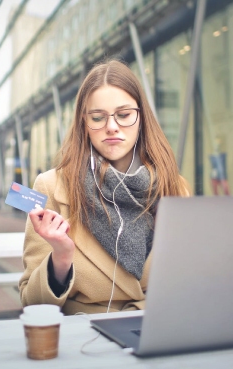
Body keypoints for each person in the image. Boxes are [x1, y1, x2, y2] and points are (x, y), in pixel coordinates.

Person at [19, 59, 189, 315]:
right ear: (84, 124)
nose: (111, 126)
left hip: (159, 328)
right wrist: (61, 258)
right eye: (98, 117)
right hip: (87, 338)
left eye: (124, 115)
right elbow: (32, 302)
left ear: (142, 118)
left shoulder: (174, 187)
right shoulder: (50, 186)